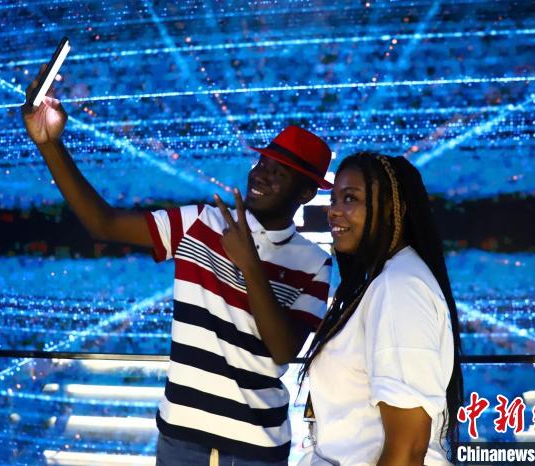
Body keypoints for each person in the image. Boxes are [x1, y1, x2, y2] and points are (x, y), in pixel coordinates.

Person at [21, 66, 333, 465]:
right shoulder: (201, 222)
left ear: (306, 193)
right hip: (180, 437)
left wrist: (250, 266)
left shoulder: (314, 262)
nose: (262, 175)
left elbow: (284, 349)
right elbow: (104, 224)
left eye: (280, 172)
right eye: (263, 163)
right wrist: (50, 145)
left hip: (256, 447)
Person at [300, 152, 464, 466]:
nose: (334, 211)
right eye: (333, 200)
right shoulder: (386, 281)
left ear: (393, 209)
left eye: (350, 198)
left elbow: (408, 448)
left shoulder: (399, 287)